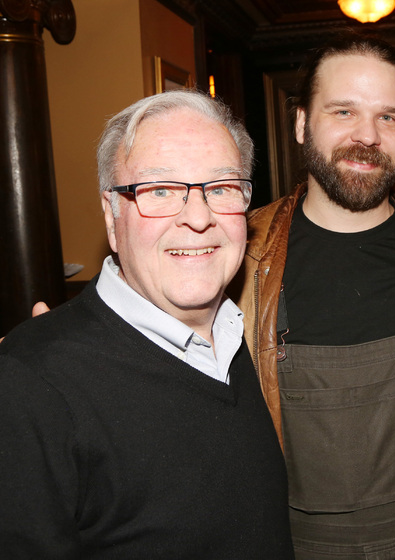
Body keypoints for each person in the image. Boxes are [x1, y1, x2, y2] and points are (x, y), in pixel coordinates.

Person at [0, 90, 294, 559]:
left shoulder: (241, 336)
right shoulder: (31, 384)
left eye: (220, 188)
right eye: (159, 191)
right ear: (111, 217)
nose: (198, 218)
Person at [232, 32, 395, 558]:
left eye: (388, 117)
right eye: (344, 111)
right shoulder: (235, 255)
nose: (367, 135)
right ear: (302, 123)